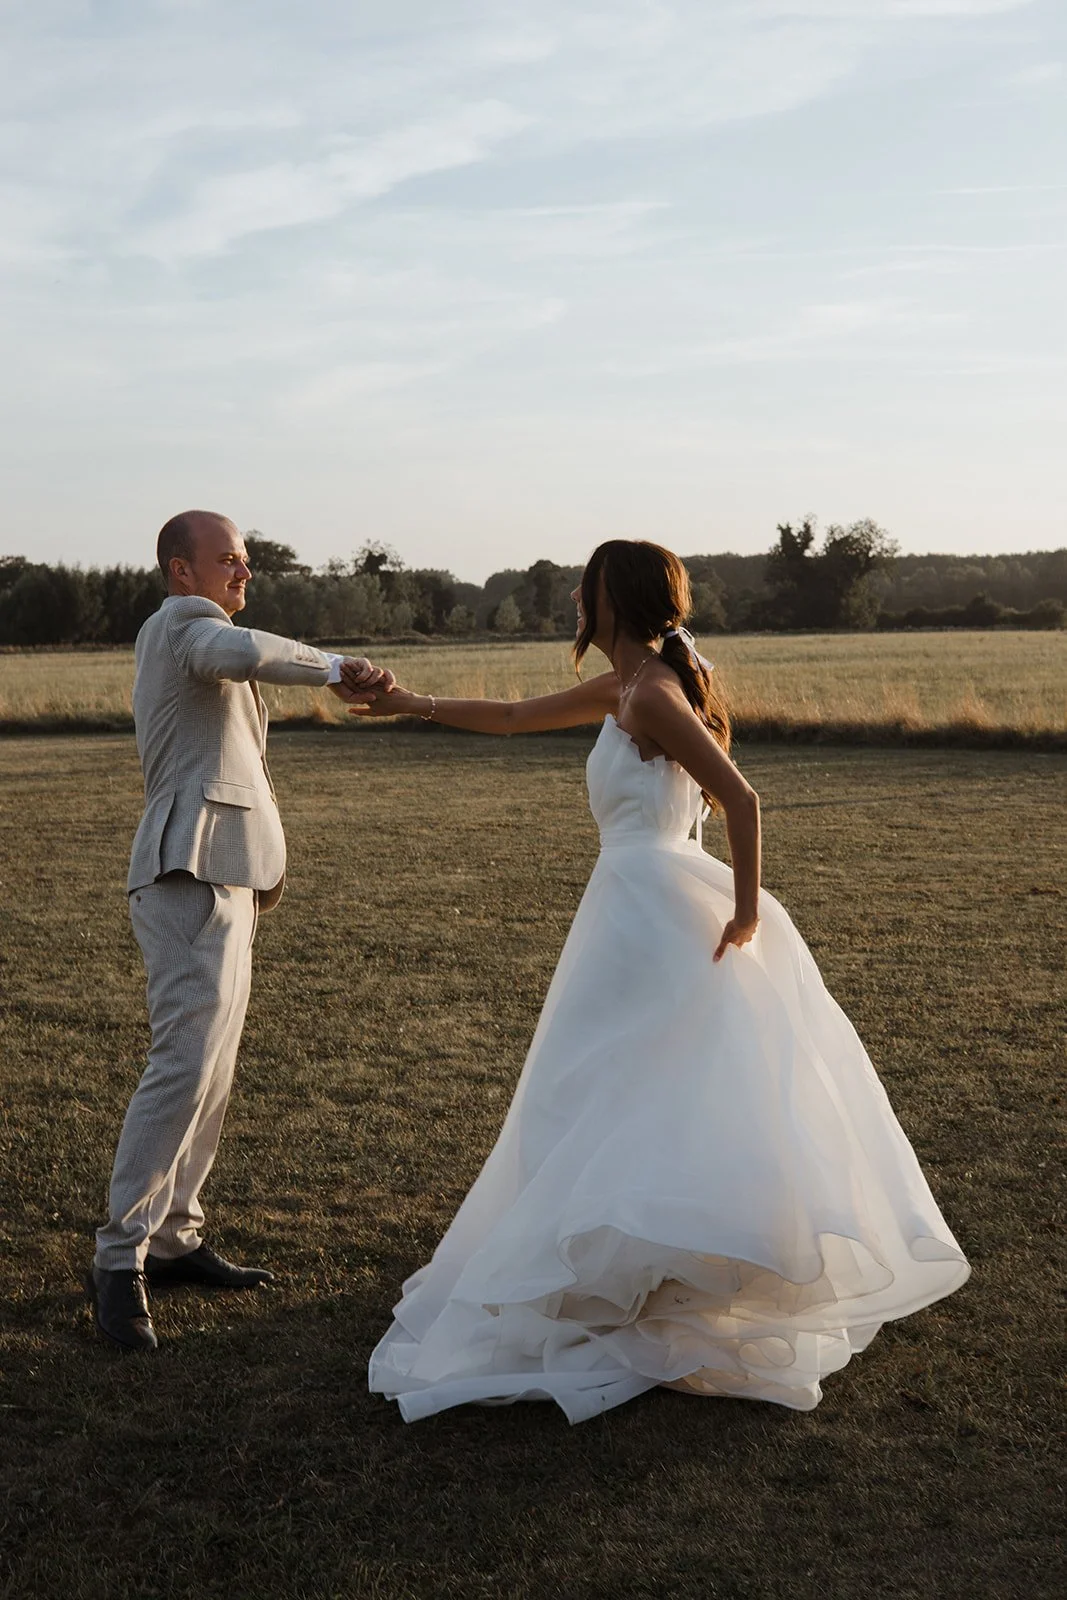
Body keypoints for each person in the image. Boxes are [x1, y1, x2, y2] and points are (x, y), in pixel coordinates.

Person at [354, 538, 970, 1422]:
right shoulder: (621, 686)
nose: (574, 596)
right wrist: (406, 704)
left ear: (617, 598)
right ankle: (620, 1259)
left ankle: (644, 1264)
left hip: (659, 906)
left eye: (586, 585)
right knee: (609, 1082)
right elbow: (514, 715)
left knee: (629, 1079)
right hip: (626, 907)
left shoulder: (651, 694)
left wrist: (747, 913)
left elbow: (742, 799)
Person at [88, 510, 390, 1352]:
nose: (242, 574)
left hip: (227, 877)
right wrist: (335, 667)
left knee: (212, 1070)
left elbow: (239, 758)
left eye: (247, 563)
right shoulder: (185, 625)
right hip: (184, 876)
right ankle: (118, 1260)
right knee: (183, 1063)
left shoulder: (202, 629)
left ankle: (177, 1238)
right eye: (227, 562)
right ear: (180, 572)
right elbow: (240, 650)